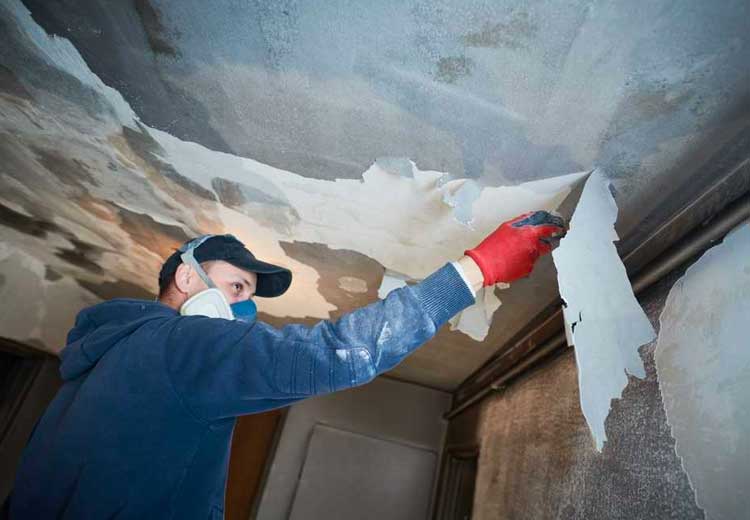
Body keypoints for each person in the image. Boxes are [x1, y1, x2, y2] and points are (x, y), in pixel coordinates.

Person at [8, 211, 564, 519]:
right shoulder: (180, 344)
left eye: (250, 299)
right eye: (236, 286)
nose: (244, 309)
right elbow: (334, 355)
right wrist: (475, 270)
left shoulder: (99, 357)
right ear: (185, 277)